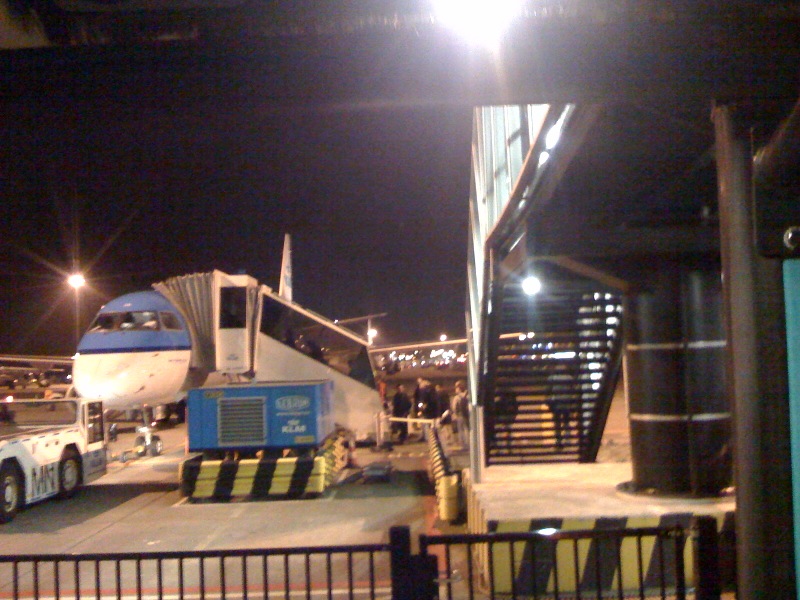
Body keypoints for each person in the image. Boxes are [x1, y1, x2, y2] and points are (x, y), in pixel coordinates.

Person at [452, 380, 470, 448]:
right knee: (467, 429)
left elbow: (454, 407)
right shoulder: (468, 395)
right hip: (467, 415)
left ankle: (463, 444)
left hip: (459, 415)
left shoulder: (457, 397)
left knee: (461, 430)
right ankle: (468, 443)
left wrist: (455, 414)